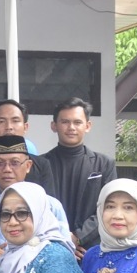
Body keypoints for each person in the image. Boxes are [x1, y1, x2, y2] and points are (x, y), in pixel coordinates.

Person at [42, 98, 114, 249]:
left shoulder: (104, 164)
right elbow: (37, 208)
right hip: (50, 247)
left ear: (87, 126)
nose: (71, 127)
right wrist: (63, 239)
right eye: (65, 122)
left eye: (77, 122)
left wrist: (78, 237)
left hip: (91, 249)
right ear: (54, 126)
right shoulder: (40, 164)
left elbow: (108, 207)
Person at [0, 136, 71, 251]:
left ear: (28, 166)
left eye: (15, 163)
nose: (7, 169)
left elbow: (65, 250)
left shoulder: (50, 205)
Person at [0, 100, 58, 197]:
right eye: (1, 121)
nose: (9, 127)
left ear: (25, 127)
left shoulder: (42, 165)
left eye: (15, 121)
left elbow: (48, 202)